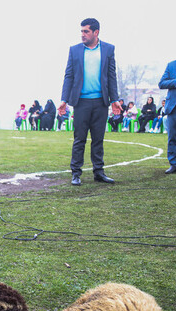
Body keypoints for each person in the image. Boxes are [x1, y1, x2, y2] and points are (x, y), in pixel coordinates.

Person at [60, 18, 119, 186]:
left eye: (86, 31)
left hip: (101, 102)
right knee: (79, 139)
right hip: (81, 103)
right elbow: (69, 76)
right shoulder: (74, 50)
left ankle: (99, 172)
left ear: (96, 32)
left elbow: (111, 76)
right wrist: (64, 100)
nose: (82, 34)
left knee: (98, 139)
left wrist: (114, 99)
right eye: (81, 31)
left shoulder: (108, 49)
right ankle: (76, 173)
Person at [159, 57, 176, 174]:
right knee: (173, 137)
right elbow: (161, 83)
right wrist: (175, 82)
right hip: (174, 107)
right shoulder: (171, 65)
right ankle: (174, 164)